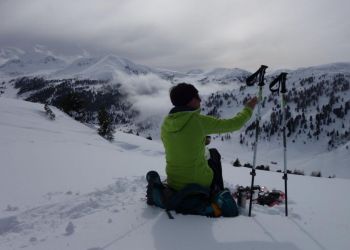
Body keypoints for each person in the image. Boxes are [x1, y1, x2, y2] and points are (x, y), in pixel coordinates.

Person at [161, 83, 257, 194]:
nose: (200, 100)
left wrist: (199, 141)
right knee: (214, 154)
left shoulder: (166, 124)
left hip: (174, 182)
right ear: (191, 101)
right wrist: (248, 108)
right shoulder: (199, 121)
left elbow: (178, 145)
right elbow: (234, 124)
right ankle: (218, 192)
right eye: (197, 97)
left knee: (207, 153)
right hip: (196, 183)